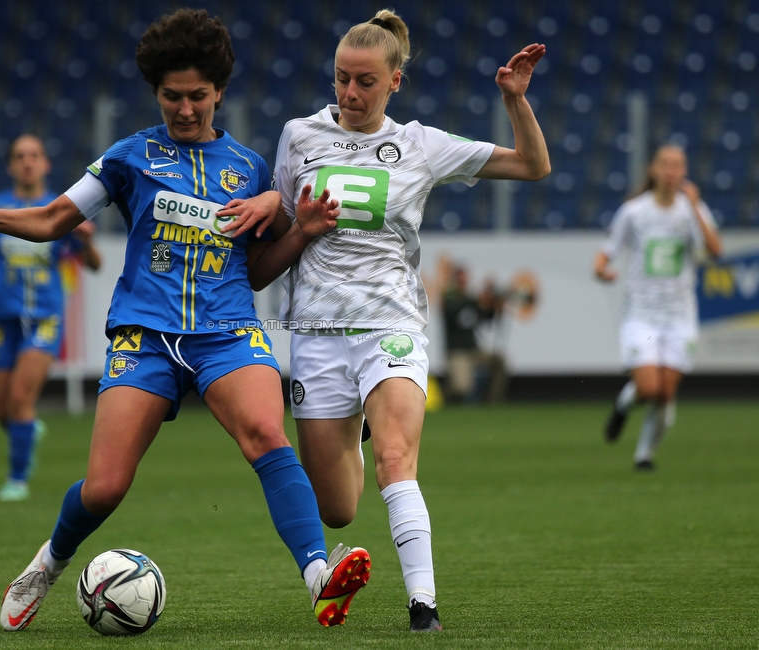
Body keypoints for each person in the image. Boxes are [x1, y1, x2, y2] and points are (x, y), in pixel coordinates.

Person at [0, 9, 370, 632]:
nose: (184, 108)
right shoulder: (129, 157)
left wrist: (302, 231)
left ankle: (318, 576)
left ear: (219, 92)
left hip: (227, 332)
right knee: (105, 489)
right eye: (171, 96)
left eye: (197, 96)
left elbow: (257, 272)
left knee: (266, 433)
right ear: (156, 93)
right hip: (145, 337)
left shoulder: (250, 169)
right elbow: (51, 220)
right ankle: (50, 559)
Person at [220, 9, 549, 632]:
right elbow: (279, 226)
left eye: (365, 82)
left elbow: (532, 166)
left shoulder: (421, 145)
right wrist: (275, 204)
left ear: (395, 81)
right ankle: (360, 426)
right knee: (338, 509)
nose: (349, 93)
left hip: (390, 323)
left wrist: (515, 102)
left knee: (396, 461)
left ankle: (423, 607)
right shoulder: (299, 136)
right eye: (341, 79)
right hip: (316, 334)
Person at [0, 134, 101, 502]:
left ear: (45, 164)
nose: (27, 162)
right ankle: (27, 429)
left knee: (21, 398)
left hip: (44, 318)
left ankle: (17, 480)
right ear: (10, 165)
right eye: (20, 156)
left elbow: (94, 265)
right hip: (2, 318)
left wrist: (86, 242)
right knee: (1, 409)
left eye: (34, 155)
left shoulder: (58, 210)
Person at [594, 144, 721, 470]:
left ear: (685, 171)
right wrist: (600, 270)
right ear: (653, 170)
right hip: (641, 314)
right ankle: (623, 406)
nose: (671, 172)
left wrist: (694, 208)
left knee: (665, 394)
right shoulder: (635, 211)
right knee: (649, 387)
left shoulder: (693, 209)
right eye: (665, 165)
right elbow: (607, 250)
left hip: (680, 316)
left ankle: (643, 455)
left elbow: (715, 250)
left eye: (677, 165)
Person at [435, 256, 507, 403]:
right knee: (462, 388)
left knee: (499, 360)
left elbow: (485, 318)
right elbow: (454, 313)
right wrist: (479, 301)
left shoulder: (470, 299)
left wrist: (494, 307)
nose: (463, 282)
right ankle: (443, 395)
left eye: (465, 278)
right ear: (454, 280)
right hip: (457, 352)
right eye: (460, 279)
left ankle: (492, 401)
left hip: (473, 349)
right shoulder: (449, 298)